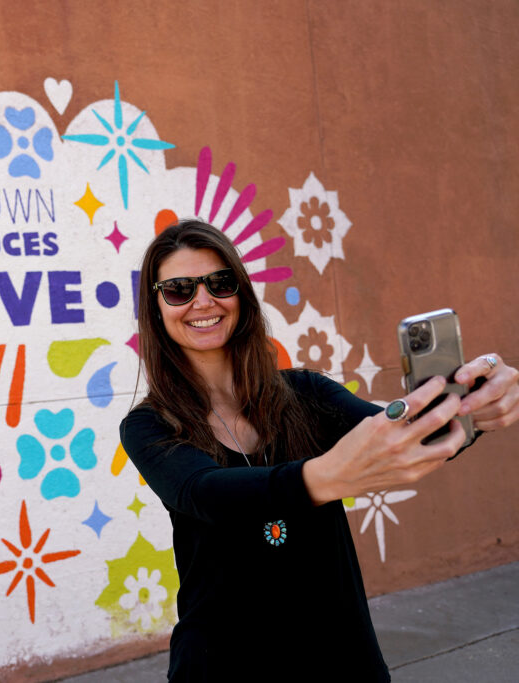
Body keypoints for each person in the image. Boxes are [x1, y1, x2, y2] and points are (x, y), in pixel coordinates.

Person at [119, 219, 519, 682]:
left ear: (241, 294)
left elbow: (405, 436)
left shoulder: (306, 392)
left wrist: (470, 407)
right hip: (222, 663)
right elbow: (206, 492)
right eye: (179, 289)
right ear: (156, 308)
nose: (203, 301)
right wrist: (329, 476)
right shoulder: (149, 424)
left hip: (341, 657)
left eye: (220, 282)